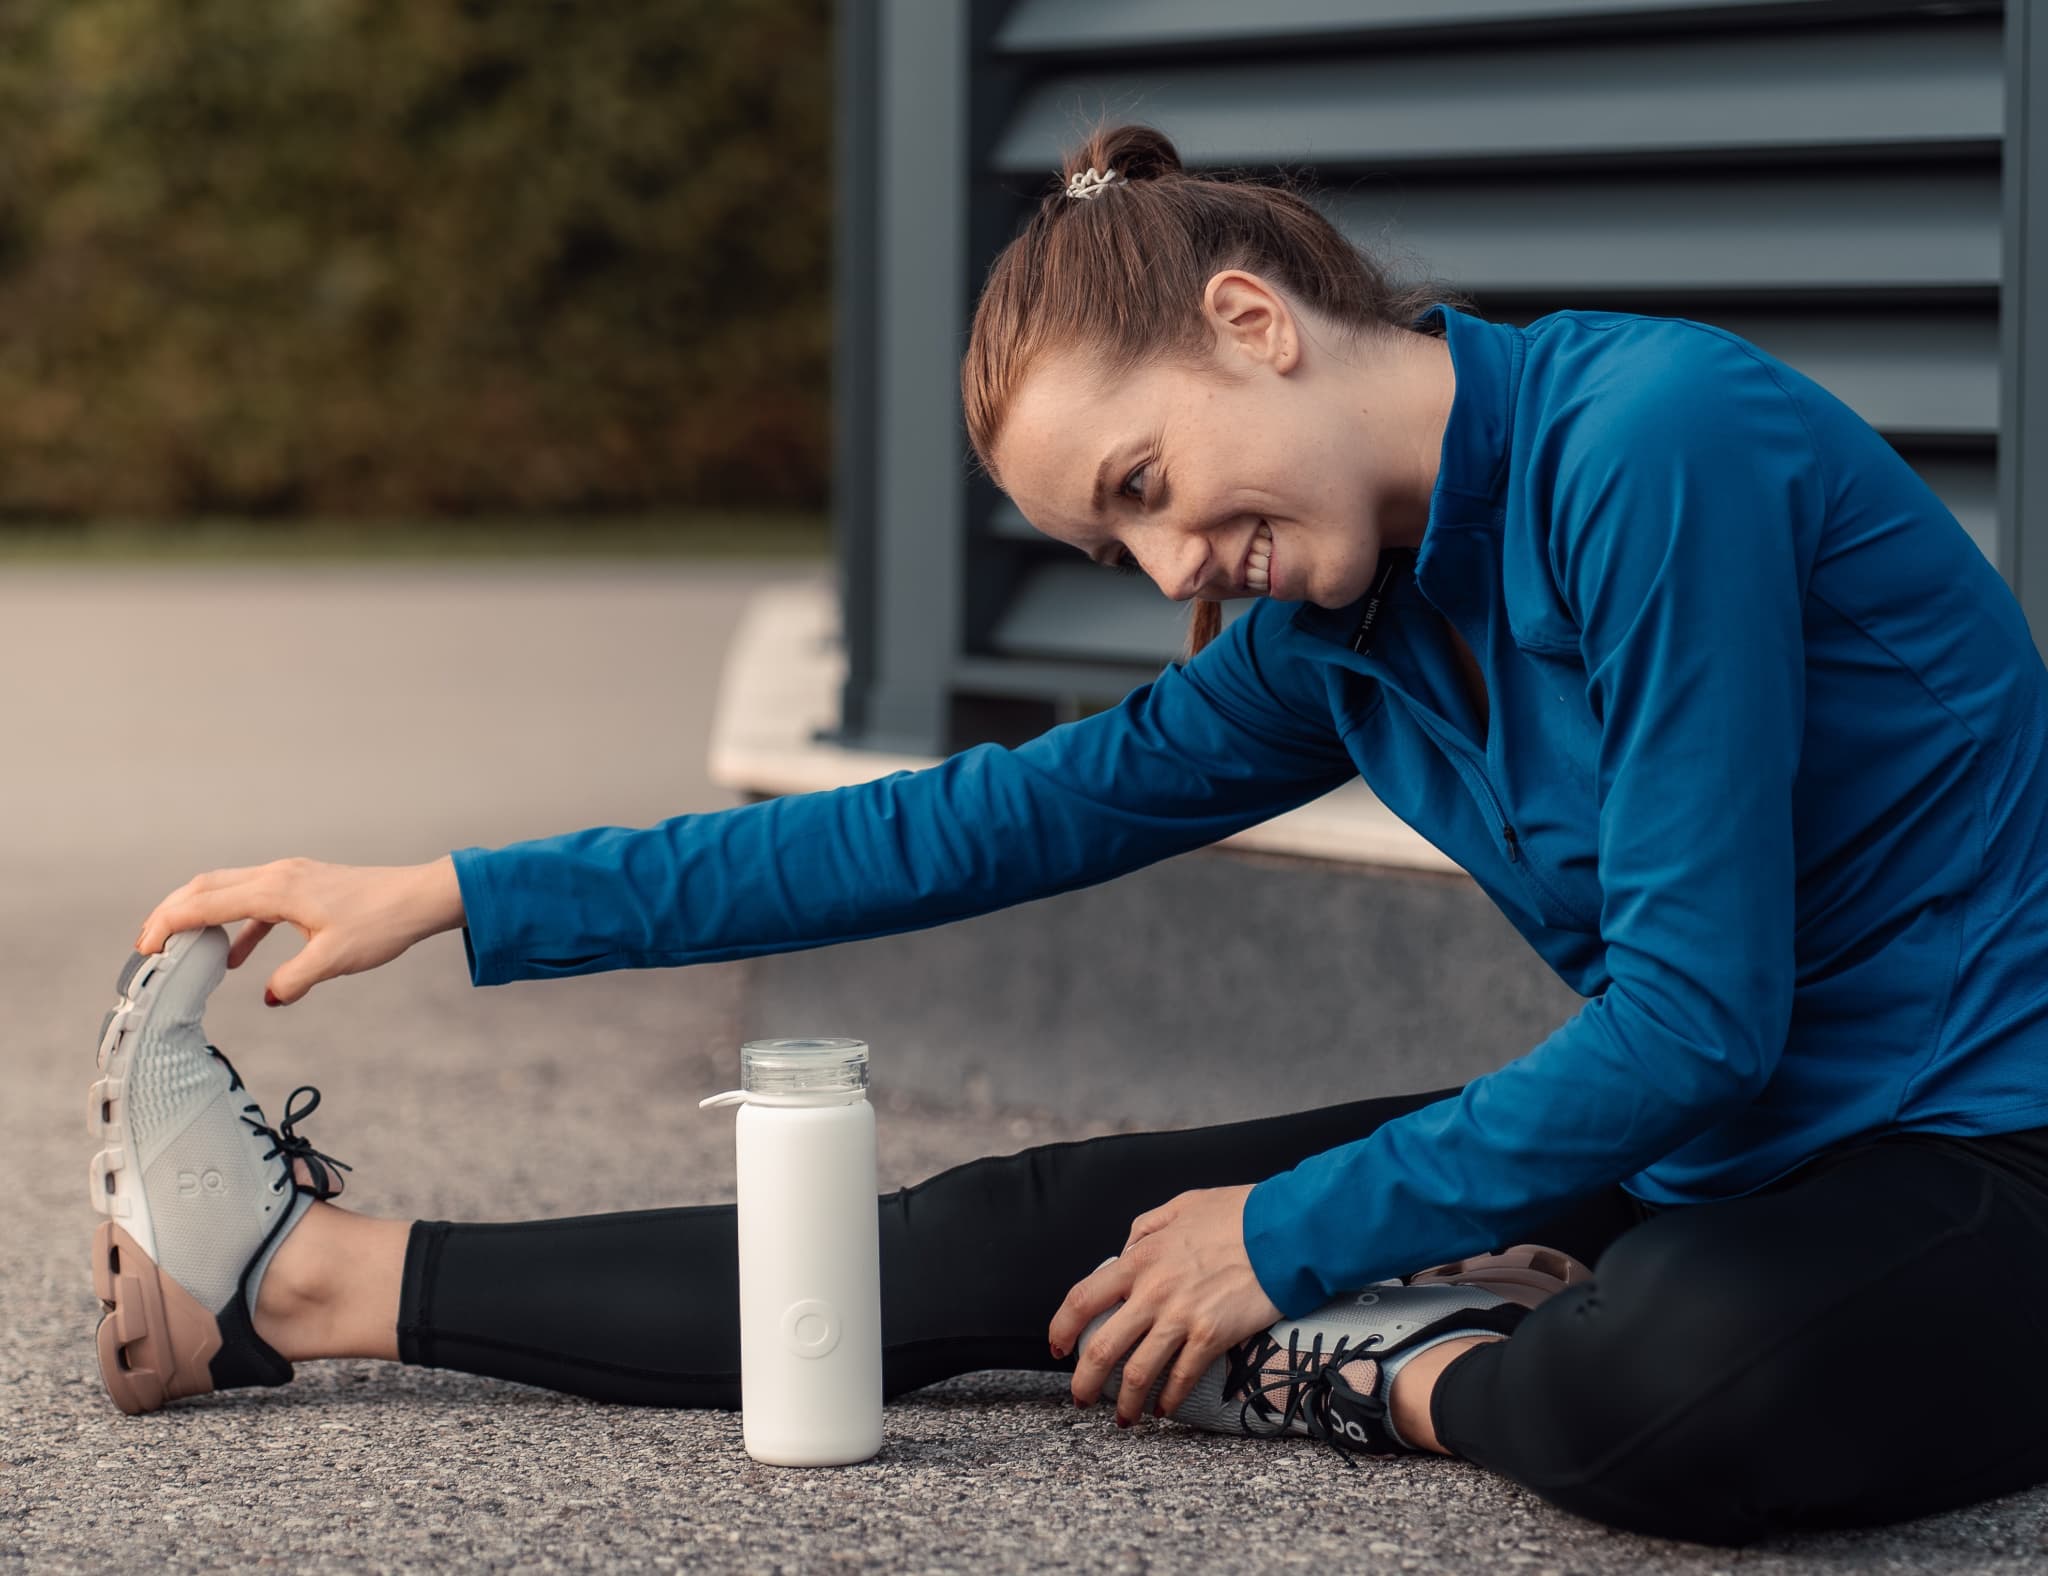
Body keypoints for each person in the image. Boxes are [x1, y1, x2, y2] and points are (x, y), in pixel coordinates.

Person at [91, 124, 2048, 1547]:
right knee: (1035, 1226)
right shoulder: (1334, 635)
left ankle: (1392, 1362)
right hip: (1711, 1141)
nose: (1177, 566)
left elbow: (1700, 1013)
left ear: (1251, 319)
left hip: (1979, 1147)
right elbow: (962, 828)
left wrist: (1291, 1244)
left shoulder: (1652, 444)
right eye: (1118, 545)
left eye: (1151, 484)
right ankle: (298, 1281)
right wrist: (447, 890)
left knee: (1670, 1387)